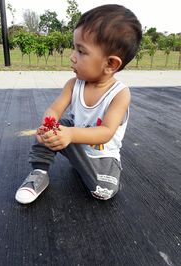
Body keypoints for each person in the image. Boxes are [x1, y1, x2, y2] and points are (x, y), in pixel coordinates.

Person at [15, 4, 142, 204]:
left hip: (102, 157)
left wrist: (70, 135)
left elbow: (106, 132)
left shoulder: (120, 94)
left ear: (110, 64)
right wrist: (48, 126)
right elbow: (55, 109)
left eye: (81, 51)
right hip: (73, 140)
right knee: (54, 128)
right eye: (74, 48)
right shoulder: (74, 84)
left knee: (104, 192)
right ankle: (39, 172)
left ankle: (84, 167)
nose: (72, 56)